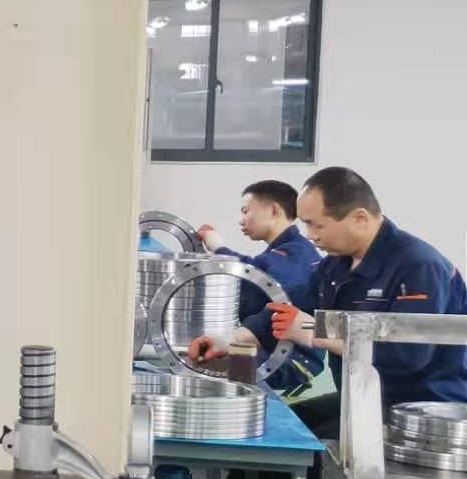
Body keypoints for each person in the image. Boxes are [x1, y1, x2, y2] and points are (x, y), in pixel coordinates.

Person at [191, 168, 467, 441]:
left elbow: (406, 357)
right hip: (362, 398)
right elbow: (290, 305)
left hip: (421, 414)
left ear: (359, 218)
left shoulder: (418, 265)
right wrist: (229, 340)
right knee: (282, 427)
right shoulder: (335, 265)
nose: (311, 236)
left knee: (302, 445)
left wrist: (315, 333)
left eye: (317, 225)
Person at [188, 180, 323, 393]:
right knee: (205, 361)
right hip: (269, 347)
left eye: (246, 211)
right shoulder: (284, 252)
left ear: (274, 210)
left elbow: (255, 274)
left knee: (207, 366)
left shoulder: (296, 254)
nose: (241, 221)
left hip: (292, 359)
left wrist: (217, 246)